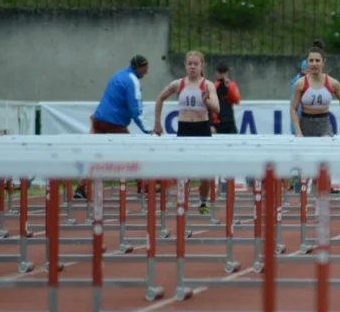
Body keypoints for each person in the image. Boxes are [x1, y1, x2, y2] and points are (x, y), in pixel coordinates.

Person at [72, 55, 150, 200]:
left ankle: (80, 188)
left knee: (96, 156)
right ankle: (142, 186)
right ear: (139, 67)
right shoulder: (132, 81)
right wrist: (148, 129)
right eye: (145, 69)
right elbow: (135, 108)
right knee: (134, 152)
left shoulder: (118, 75)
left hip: (99, 120)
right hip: (114, 123)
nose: (146, 72)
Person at [153, 51, 220, 213]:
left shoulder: (208, 85)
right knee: (183, 170)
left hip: (202, 129)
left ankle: (203, 203)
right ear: (185, 65)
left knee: (205, 173)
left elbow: (216, 108)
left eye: (196, 64)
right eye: (189, 63)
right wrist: (157, 123)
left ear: (202, 66)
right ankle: (182, 202)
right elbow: (160, 98)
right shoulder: (178, 84)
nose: (192, 67)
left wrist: (206, 100)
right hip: (184, 129)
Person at [290, 42, 340, 137]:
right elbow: (293, 108)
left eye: (317, 61)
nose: (314, 64)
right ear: (307, 62)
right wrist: (298, 131)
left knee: (325, 147)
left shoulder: (333, 83)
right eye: (311, 60)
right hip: (305, 124)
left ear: (323, 62)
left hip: (324, 124)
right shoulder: (300, 83)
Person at [211, 62, 242, 135]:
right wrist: (211, 124)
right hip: (217, 121)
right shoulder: (213, 86)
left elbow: (237, 100)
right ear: (216, 73)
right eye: (220, 72)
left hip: (229, 120)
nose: (222, 75)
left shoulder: (232, 85)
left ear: (227, 73)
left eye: (224, 72)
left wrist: (229, 88)